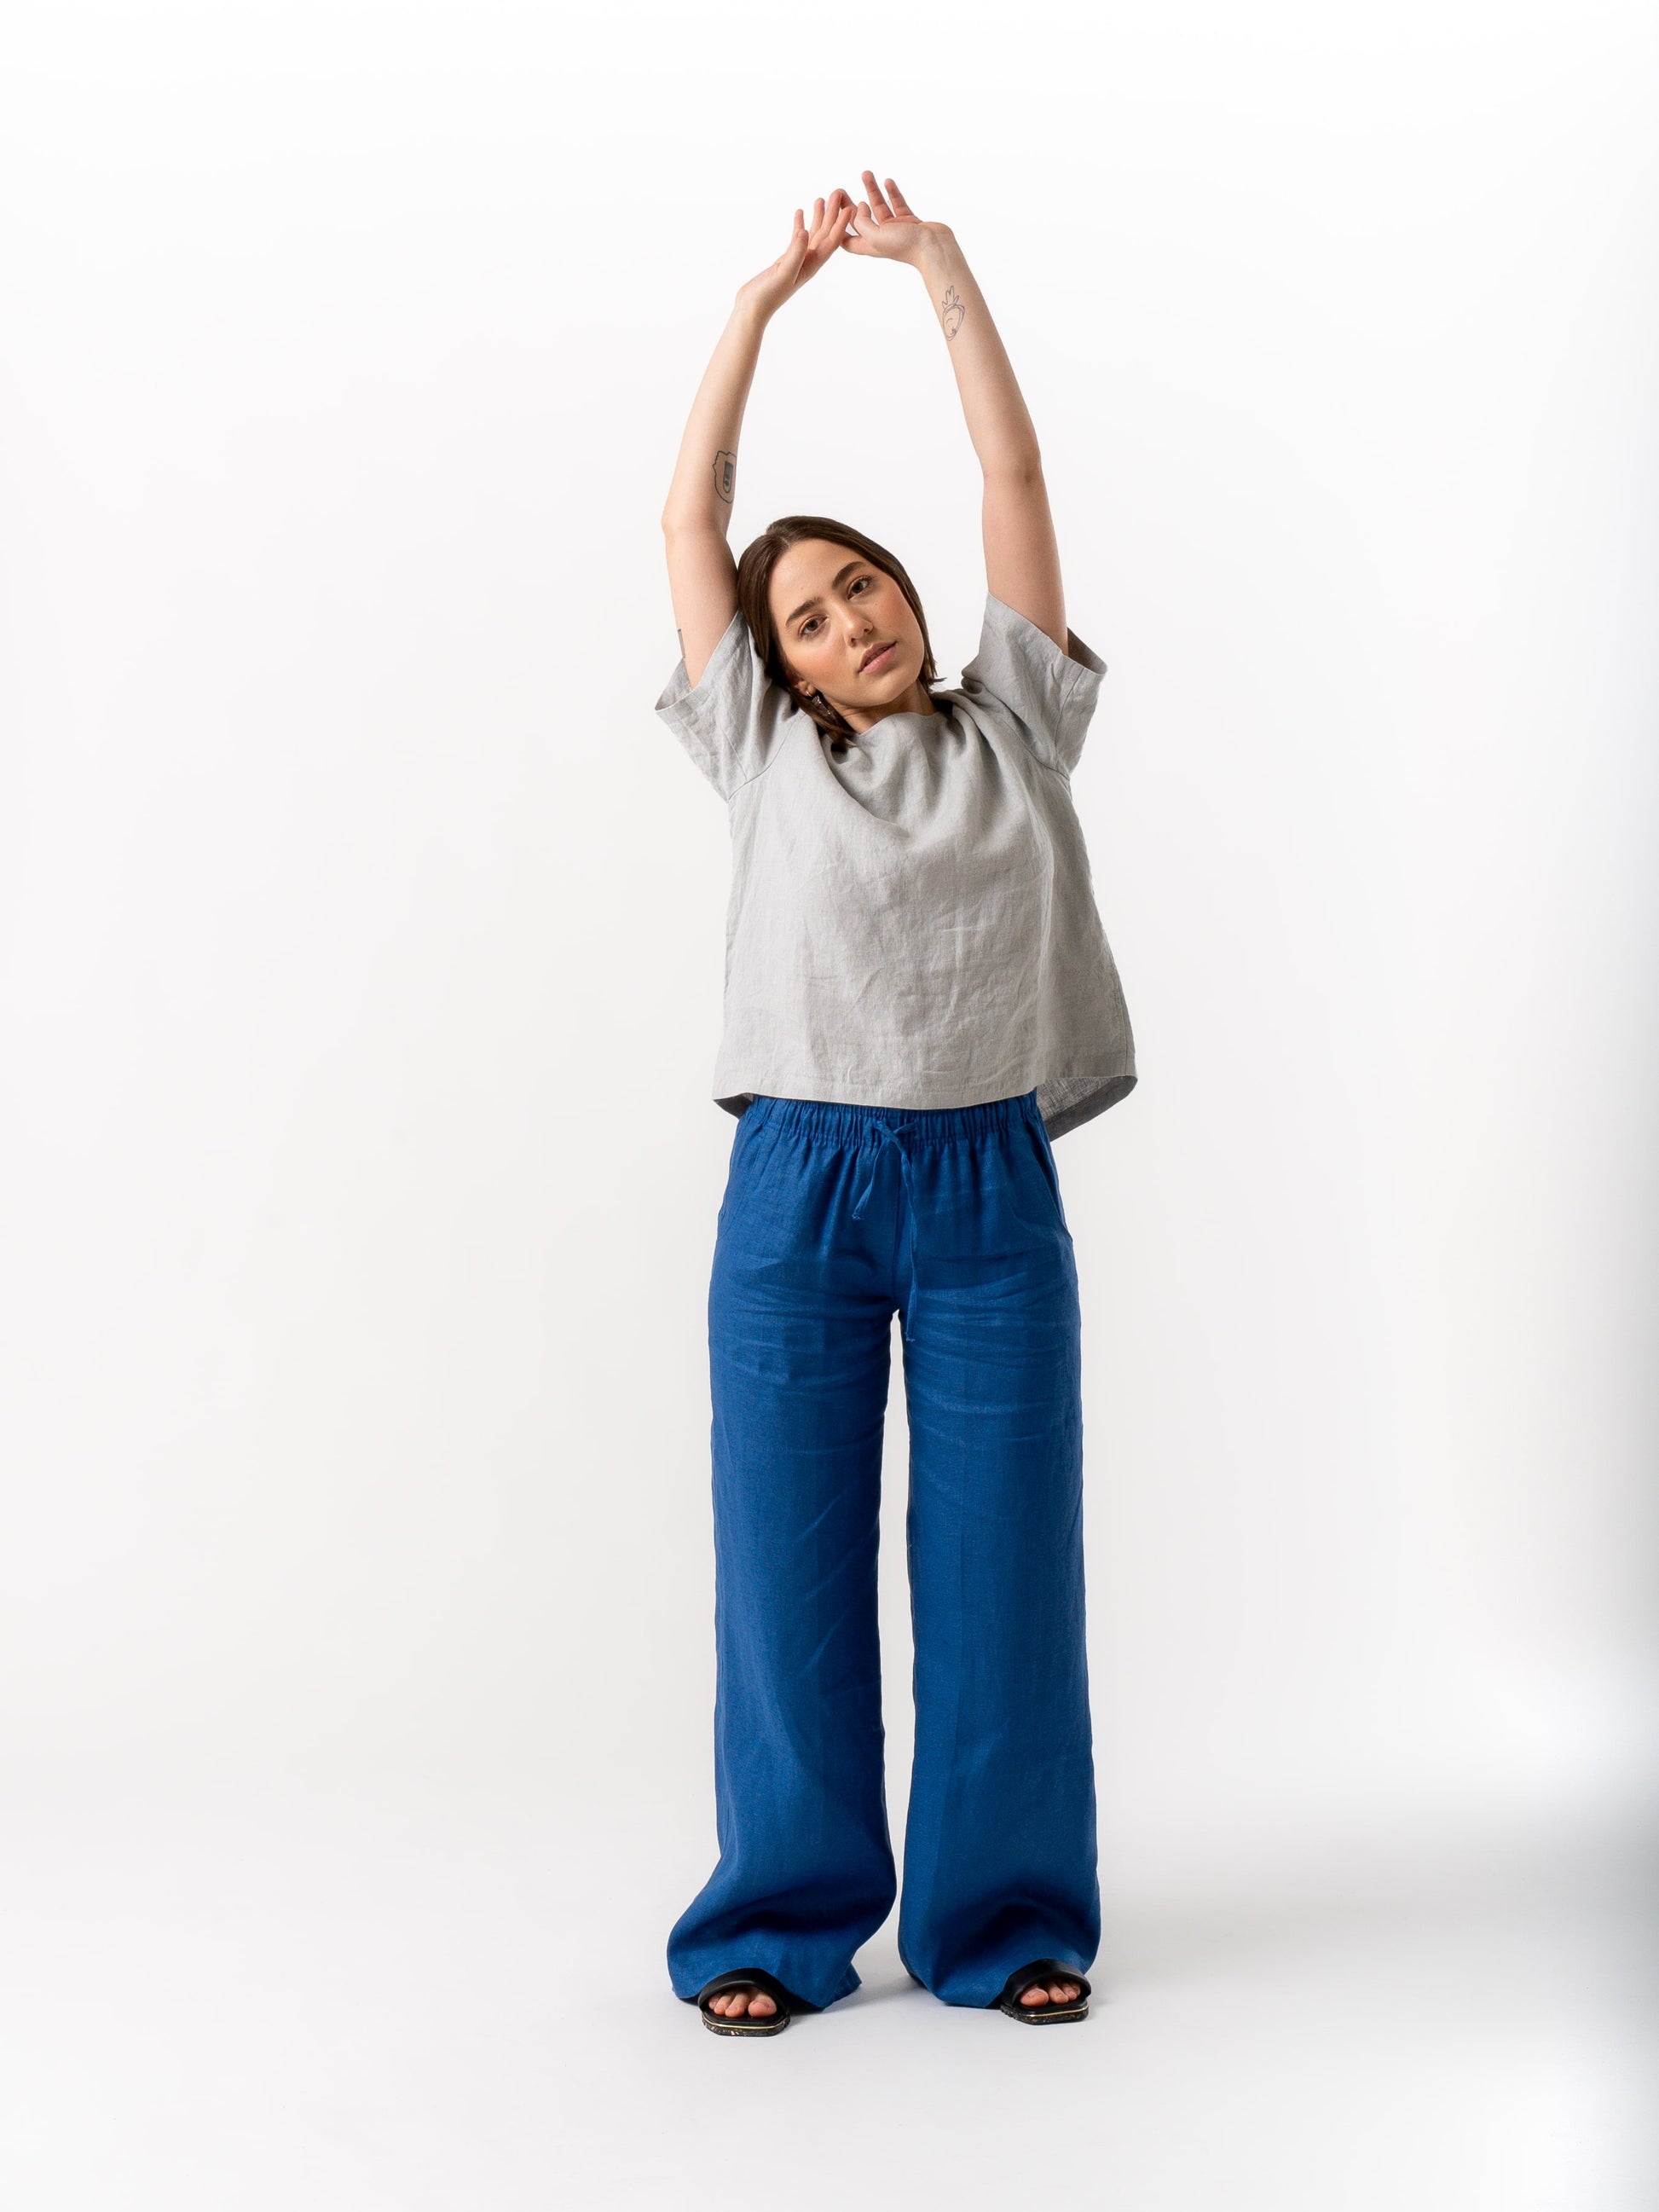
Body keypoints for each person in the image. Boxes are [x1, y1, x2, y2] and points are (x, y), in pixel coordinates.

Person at [655, 173, 1137, 2036]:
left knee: (1006, 1562)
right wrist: (762, 306)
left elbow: (1014, 486)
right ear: (768, 665)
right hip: (797, 1183)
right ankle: (774, 1922)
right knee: (786, 1572)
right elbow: (687, 511)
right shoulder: (759, 752)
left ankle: (1004, 1913)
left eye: (859, 581)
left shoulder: (1014, 720)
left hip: (986, 1182)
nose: (844, 615)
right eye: (806, 611)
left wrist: (941, 276)